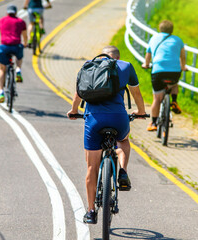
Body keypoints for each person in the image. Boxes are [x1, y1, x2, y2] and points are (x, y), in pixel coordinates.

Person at [67, 46, 146, 224]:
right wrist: (141, 112)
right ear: (117, 57)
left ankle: (91, 211)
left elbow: (79, 92)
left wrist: (73, 110)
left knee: (91, 168)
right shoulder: (126, 66)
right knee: (123, 141)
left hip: (94, 120)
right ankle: (123, 171)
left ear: (102, 56)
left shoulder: (89, 65)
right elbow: (136, 93)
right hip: (119, 118)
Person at [142, 20, 187, 131]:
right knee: (174, 84)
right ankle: (174, 100)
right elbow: (182, 57)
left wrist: (146, 64)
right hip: (174, 72)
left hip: (158, 71)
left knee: (157, 99)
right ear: (172, 30)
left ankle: (153, 123)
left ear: (160, 29)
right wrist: (183, 67)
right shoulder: (178, 40)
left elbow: (148, 55)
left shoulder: (154, 38)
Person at [0, 4, 28, 103]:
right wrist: (25, 44)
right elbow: (25, 36)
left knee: (2, 69)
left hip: (4, 47)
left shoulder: (1, 20)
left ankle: (1, 92)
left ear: (7, 12)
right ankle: (18, 70)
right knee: (19, 58)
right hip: (17, 46)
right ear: (16, 12)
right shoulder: (21, 22)